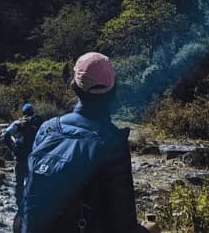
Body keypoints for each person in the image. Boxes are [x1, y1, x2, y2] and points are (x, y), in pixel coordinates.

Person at [21, 52, 146, 233]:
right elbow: (123, 222)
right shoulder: (112, 142)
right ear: (113, 90)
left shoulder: (47, 128)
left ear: (75, 87)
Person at [3, 102, 43, 222]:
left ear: (23, 112)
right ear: (33, 112)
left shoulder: (18, 123)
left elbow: (5, 135)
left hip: (20, 158)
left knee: (19, 183)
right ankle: (32, 206)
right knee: (33, 183)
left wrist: (12, 148)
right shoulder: (39, 123)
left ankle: (20, 207)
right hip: (34, 159)